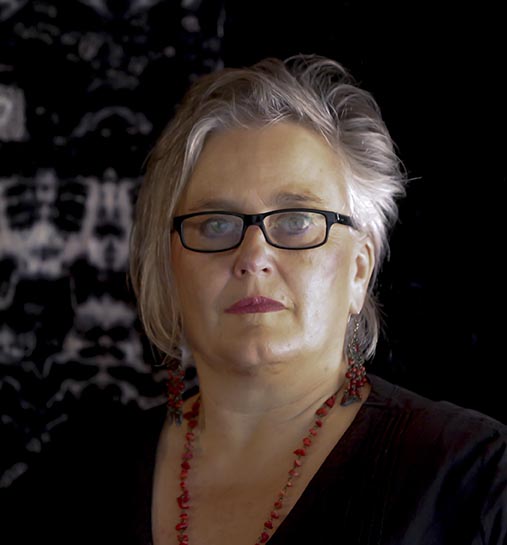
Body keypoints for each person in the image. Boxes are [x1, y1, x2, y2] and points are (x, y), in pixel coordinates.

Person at [4, 55, 506, 545]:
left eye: (296, 221)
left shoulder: (472, 478)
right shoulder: (67, 486)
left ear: (359, 269)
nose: (253, 256)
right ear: (172, 267)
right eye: (215, 225)